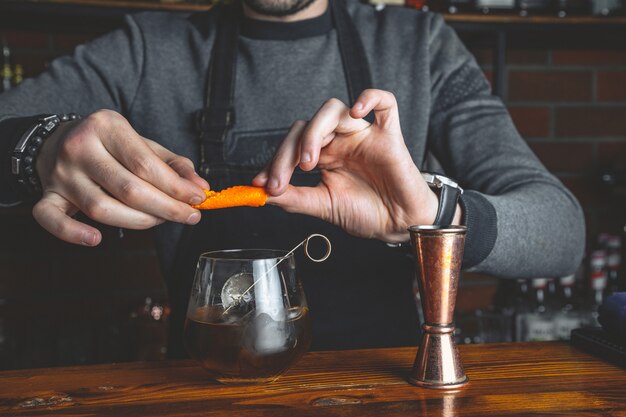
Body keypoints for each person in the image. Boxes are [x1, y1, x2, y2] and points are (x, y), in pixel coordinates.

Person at [0, 0, 585, 355]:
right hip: (204, 394)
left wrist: (431, 213)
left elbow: (562, 235)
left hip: (389, 395)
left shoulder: (420, 46)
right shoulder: (148, 49)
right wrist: (39, 147)